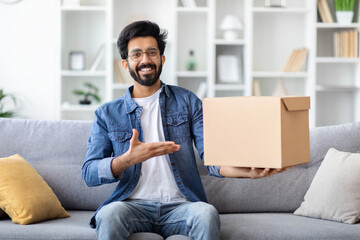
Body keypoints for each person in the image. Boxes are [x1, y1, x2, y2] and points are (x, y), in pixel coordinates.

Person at [82, 20, 289, 240]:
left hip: (182, 206)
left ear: (162, 58)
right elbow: (89, 173)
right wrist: (127, 159)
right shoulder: (106, 114)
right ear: (126, 64)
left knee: (206, 213)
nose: (145, 60)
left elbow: (213, 158)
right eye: (137, 54)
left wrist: (249, 172)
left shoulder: (187, 101)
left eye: (152, 52)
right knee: (109, 214)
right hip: (131, 206)